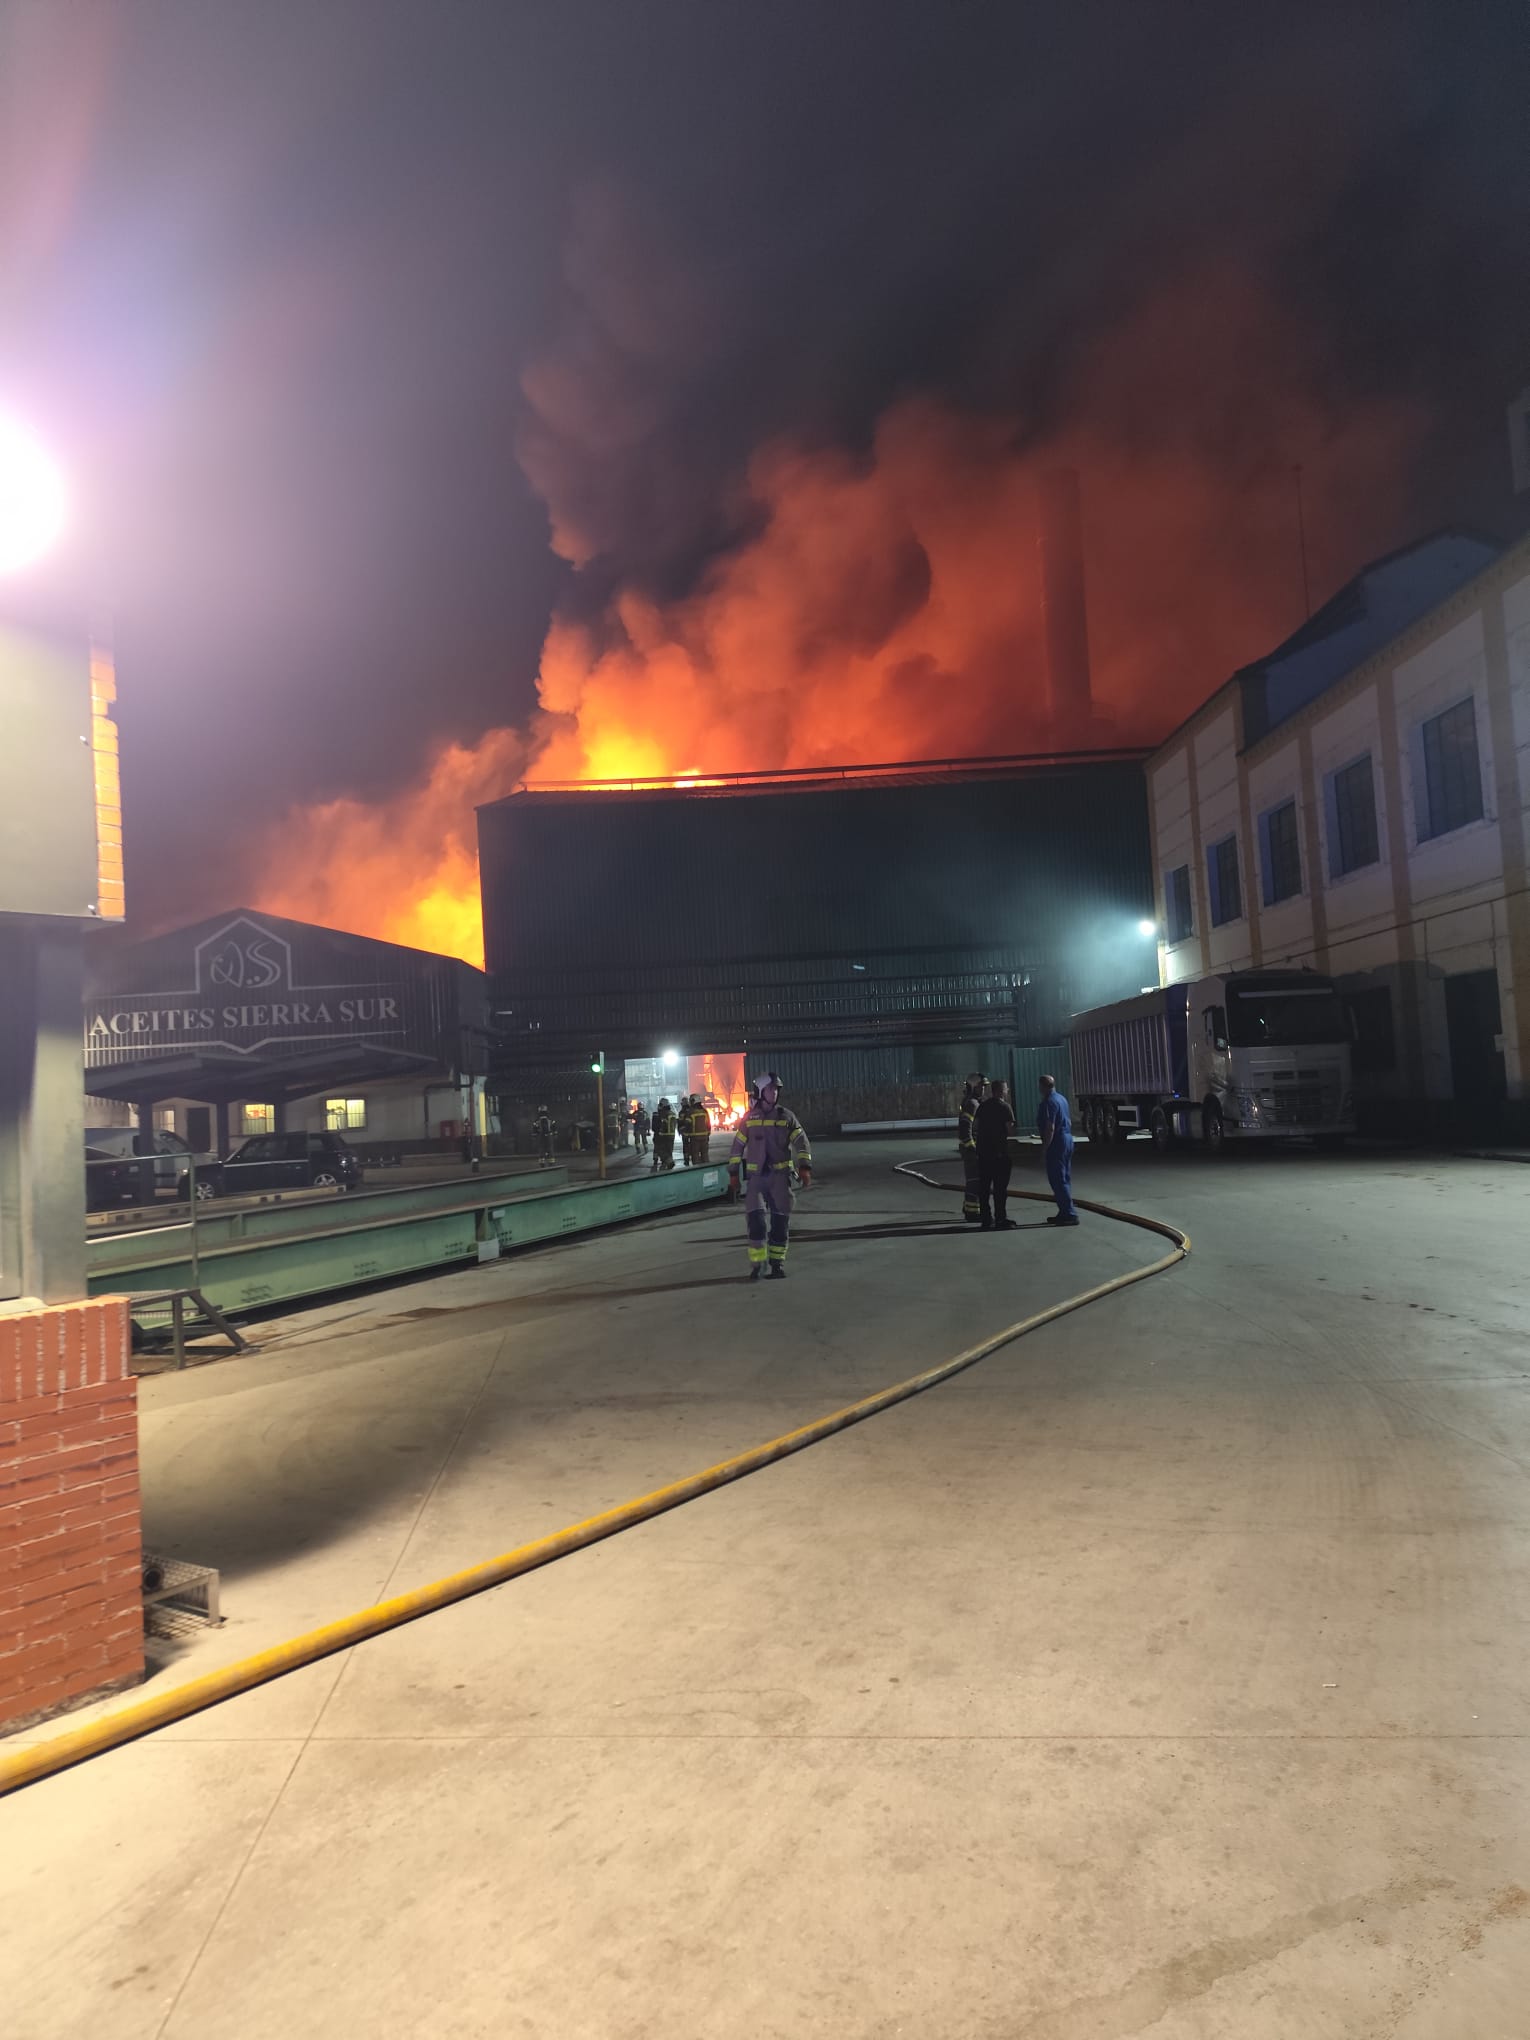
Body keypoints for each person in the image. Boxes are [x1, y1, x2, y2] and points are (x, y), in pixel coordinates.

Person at [728, 1071, 812, 1279]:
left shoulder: (786, 1117)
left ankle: (777, 1265)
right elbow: (737, 1147)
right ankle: (757, 1265)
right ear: (760, 1091)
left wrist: (805, 1167)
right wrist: (733, 1174)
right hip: (756, 1180)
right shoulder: (749, 1119)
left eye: (776, 1090)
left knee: (780, 1222)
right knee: (755, 1221)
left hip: (780, 1178)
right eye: (770, 1089)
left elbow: (802, 1142)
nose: (774, 1093)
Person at [972, 1078, 1017, 1230]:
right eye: (1006, 1089)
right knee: (1000, 1189)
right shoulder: (1005, 1107)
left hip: (983, 1154)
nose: (1007, 1091)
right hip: (999, 1154)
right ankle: (1000, 1218)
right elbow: (1010, 1129)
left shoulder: (983, 1106)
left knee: (984, 1188)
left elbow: (975, 1126)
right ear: (1001, 1091)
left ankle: (986, 1219)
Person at [1037, 1073, 1079, 1225]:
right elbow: (1068, 1121)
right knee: (1064, 1177)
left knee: (1057, 1179)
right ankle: (1064, 1211)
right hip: (1067, 1139)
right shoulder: (1062, 1099)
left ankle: (1069, 1213)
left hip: (1057, 1142)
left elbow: (1050, 1127)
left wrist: (1044, 1148)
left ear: (1042, 1086)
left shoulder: (1049, 1102)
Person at [957, 1073, 987, 1223]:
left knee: (974, 1180)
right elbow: (965, 1128)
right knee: (975, 1181)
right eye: (981, 1086)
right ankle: (972, 1213)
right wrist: (972, 1147)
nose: (983, 1089)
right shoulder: (972, 1104)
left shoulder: (973, 1102)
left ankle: (969, 1208)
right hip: (972, 1149)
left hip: (973, 1147)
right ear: (974, 1087)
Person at [651, 1096, 677, 1173]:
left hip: (664, 1135)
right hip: (672, 1135)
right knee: (669, 1150)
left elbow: (661, 1125)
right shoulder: (673, 1113)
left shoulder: (663, 1114)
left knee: (660, 1149)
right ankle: (668, 1165)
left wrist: (660, 1132)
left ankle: (669, 1162)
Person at [688, 1094, 711, 1166]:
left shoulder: (691, 1112)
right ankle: (707, 1169)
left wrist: (686, 1134)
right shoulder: (704, 1111)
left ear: (693, 1101)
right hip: (704, 1137)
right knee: (705, 1155)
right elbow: (708, 1124)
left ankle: (697, 1170)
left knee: (695, 1156)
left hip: (694, 1138)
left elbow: (688, 1124)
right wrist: (708, 1134)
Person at [532, 1106, 555, 1170]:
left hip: (541, 1136)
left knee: (541, 1149)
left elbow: (534, 1130)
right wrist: (555, 1134)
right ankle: (551, 1164)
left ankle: (542, 1164)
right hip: (549, 1136)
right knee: (550, 1149)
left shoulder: (536, 1121)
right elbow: (554, 1127)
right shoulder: (550, 1119)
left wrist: (534, 1136)